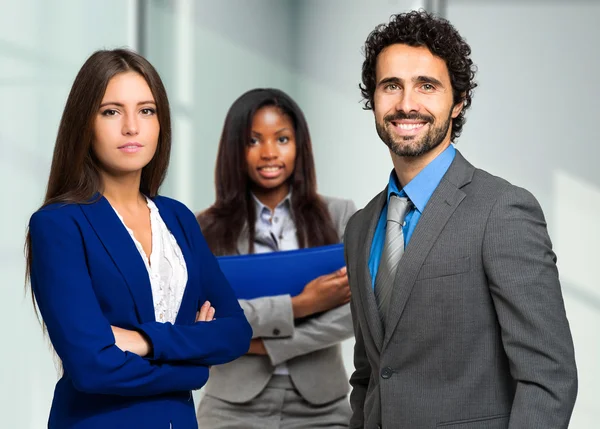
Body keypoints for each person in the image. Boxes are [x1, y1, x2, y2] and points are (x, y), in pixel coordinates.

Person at [343, 10, 578, 429]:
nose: (406, 103)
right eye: (390, 85)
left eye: (427, 86)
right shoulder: (361, 227)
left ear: (458, 102)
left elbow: (548, 377)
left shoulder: (502, 211)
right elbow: (369, 374)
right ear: (373, 98)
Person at [25, 48, 252, 429]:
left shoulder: (177, 218)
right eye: (111, 111)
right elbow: (91, 367)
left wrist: (144, 342)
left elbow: (235, 332)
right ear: (85, 123)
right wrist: (193, 368)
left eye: (146, 110)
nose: (132, 127)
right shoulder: (59, 225)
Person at [195, 88, 356, 428]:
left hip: (323, 408)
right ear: (234, 150)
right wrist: (301, 304)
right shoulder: (203, 229)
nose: (269, 153)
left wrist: (266, 347)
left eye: (282, 139)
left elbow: (355, 312)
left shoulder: (340, 215)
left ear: (300, 146)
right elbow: (209, 320)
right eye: (253, 141)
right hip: (231, 407)